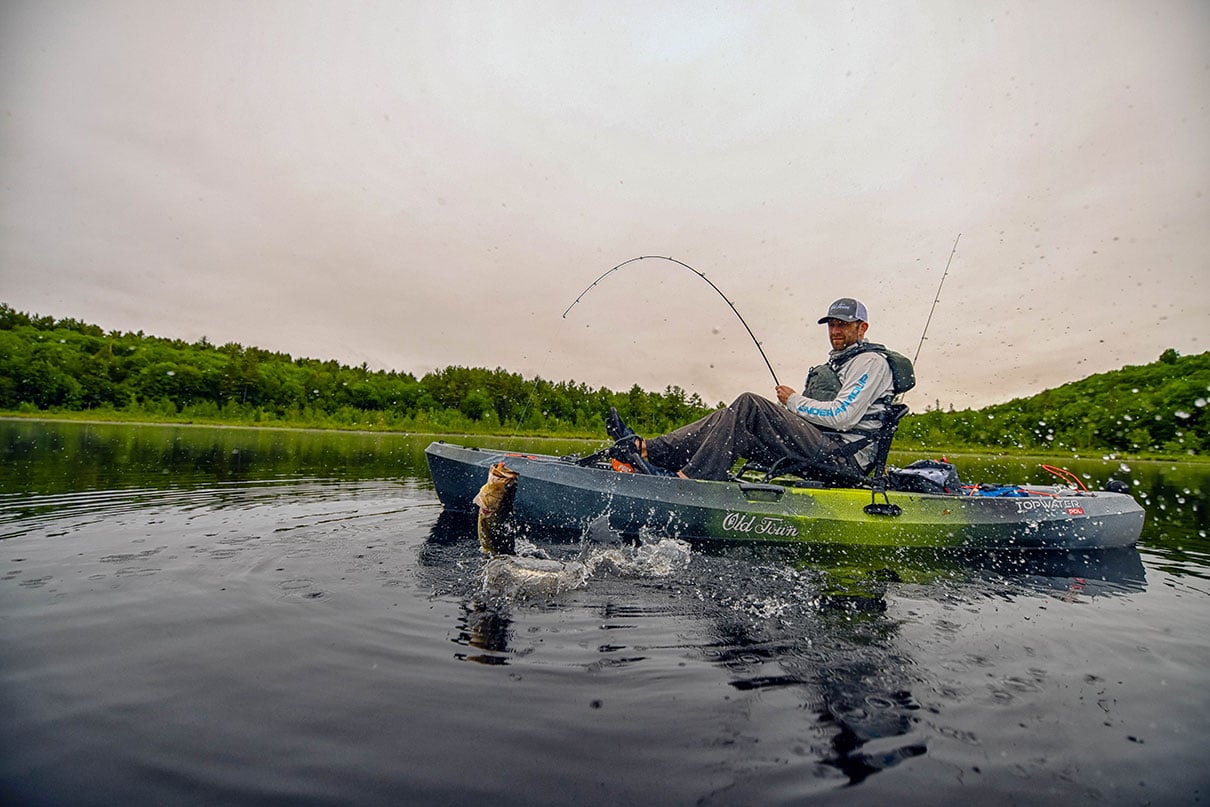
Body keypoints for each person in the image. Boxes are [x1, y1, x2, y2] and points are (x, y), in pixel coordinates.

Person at [607, 297, 898, 481]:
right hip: (825, 448)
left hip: (844, 459)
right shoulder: (841, 362)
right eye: (832, 325)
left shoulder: (871, 362)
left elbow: (842, 416)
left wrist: (793, 401)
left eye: (843, 325)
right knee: (731, 420)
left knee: (750, 404)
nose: (835, 331)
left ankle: (687, 481)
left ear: (862, 328)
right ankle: (647, 450)